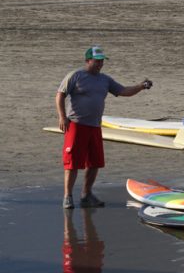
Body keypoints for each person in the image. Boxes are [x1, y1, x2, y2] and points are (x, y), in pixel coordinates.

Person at [56, 46, 153, 209]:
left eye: (102, 61)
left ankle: (86, 195)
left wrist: (141, 86)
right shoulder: (75, 76)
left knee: (95, 163)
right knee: (72, 163)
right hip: (76, 125)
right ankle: (68, 196)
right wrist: (62, 117)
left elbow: (123, 91)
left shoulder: (104, 80)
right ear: (88, 60)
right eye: (97, 61)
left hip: (95, 126)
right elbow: (60, 94)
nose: (100, 64)